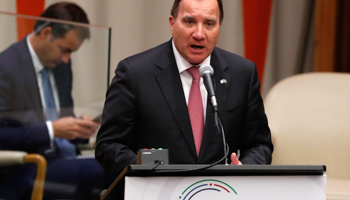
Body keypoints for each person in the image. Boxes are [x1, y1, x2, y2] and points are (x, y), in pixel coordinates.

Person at [96, 0, 273, 176]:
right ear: (172, 24)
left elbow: (259, 145)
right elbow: (109, 145)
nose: (199, 33)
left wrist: (245, 169)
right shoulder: (135, 73)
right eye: (190, 22)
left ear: (219, 27)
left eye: (209, 24)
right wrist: (150, 170)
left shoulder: (242, 73)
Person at [0, 2, 111, 200]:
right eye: (64, 49)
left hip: (63, 158)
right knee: (113, 170)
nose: (67, 59)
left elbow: (62, 120)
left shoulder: (61, 68)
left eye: (71, 53)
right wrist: (52, 130)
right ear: (46, 33)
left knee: (120, 165)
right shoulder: (6, 68)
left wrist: (79, 128)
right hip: (26, 168)